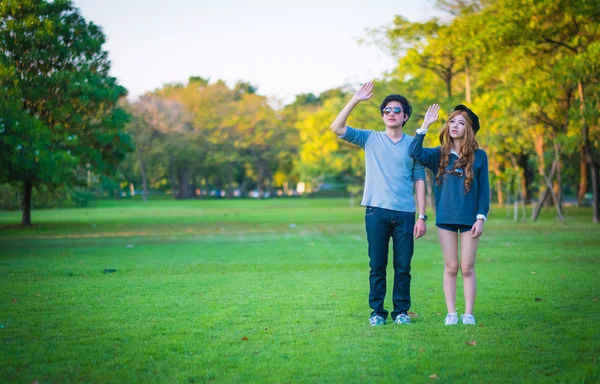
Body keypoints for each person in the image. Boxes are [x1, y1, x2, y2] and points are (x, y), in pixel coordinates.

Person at [330, 81, 427, 326]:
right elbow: (336, 127)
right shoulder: (369, 138)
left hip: (405, 212)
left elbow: (419, 179)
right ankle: (377, 313)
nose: (391, 114)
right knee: (377, 266)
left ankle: (401, 312)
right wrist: (355, 99)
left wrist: (422, 216)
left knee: (403, 267)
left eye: (396, 110)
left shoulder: (413, 145)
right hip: (376, 212)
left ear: (405, 116)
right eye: (386, 110)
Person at [409, 104, 490, 325]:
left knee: (467, 267)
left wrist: (481, 218)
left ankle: (468, 314)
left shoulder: (479, 156)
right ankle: (452, 313)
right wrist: (425, 125)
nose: (455, 126)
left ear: (469, 129)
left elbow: (484, 191)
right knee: (451, 266)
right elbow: (414, 152)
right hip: (445, 218)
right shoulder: (438, 154)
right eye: (452, 121)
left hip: (470, 220)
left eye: (461, 122)